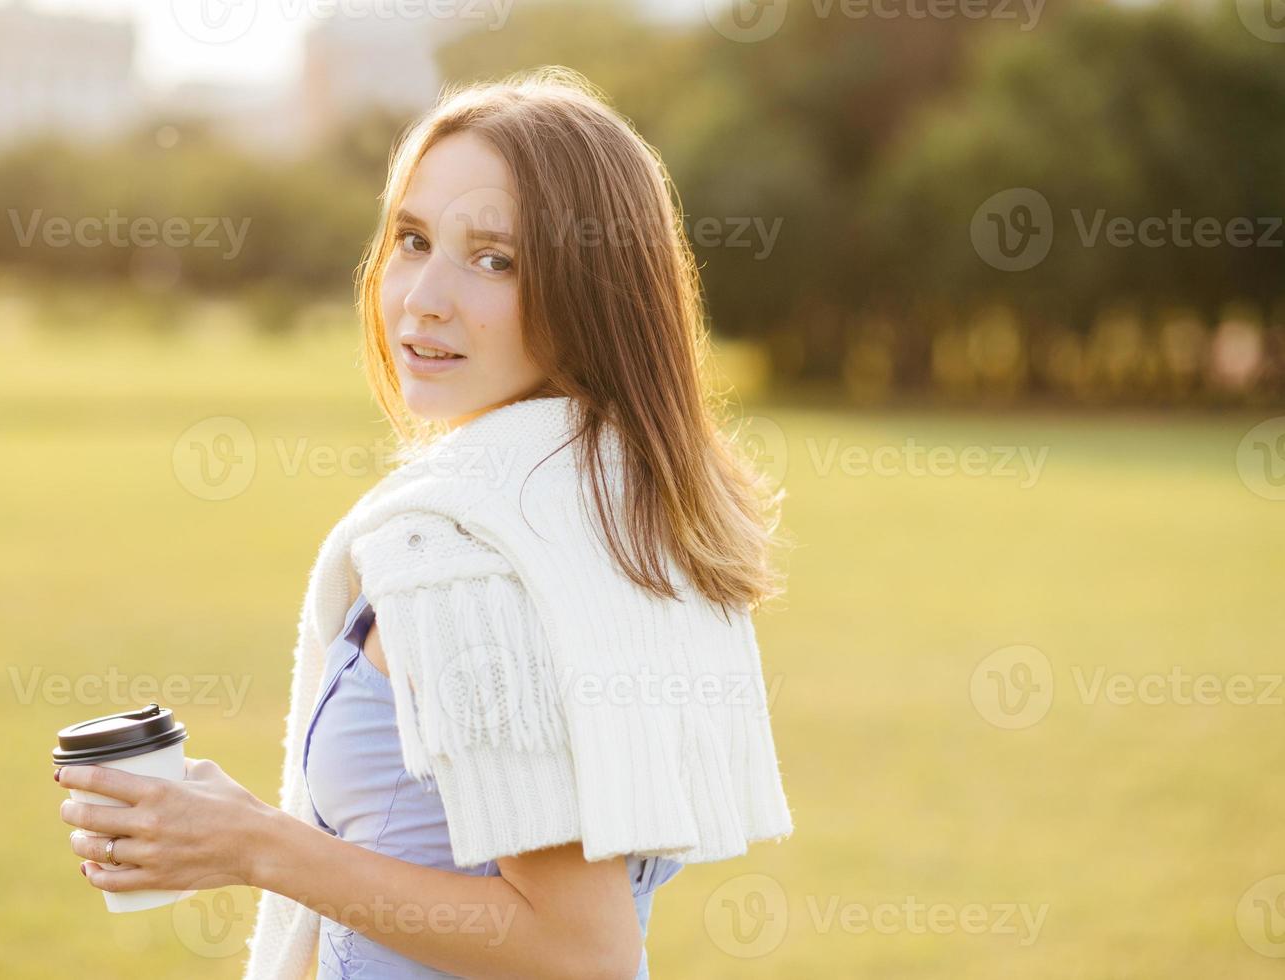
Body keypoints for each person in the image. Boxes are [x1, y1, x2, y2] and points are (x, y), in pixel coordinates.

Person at [57, 66, 794, 979]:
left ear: (594, 292)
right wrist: (236, 825)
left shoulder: (473, 553)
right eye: (411, 240)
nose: (422, 298)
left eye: (495, 259)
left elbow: (578, 948)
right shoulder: (620, 509)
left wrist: (255, 846)